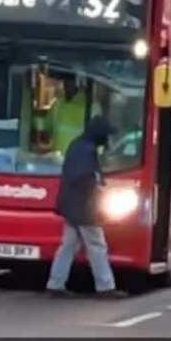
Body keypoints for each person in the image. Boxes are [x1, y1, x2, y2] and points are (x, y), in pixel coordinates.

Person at [46, 116, 124, 298]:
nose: (108, 139)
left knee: (68, 245)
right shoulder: (87, 151)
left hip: (71, 205)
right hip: (84, 207)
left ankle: (55, 283)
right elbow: (83, 177)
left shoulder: (78, 146)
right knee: (97, 245)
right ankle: (106, 287)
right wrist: (98, 185)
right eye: (106, 135)